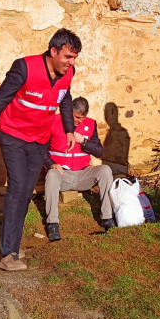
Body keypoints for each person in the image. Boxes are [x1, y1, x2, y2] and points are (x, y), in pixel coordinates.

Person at [0, 28, 81, 271]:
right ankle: (7, 255)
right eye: (67, 57)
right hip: (13, 135)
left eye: (74, 58)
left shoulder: (68, 72)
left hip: (39, 139)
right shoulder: (24, 68)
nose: (71, 63)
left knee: (26, 192)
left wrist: (68, 129)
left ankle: (13, 246)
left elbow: (64, 97)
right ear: (53, 51)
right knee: (17, 189)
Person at [43, 97, 115, 241]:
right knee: (51, 174)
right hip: (61, 174)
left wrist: (84, 141)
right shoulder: (53, 121)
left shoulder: (91, 124)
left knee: (105, 170)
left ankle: (107, 218)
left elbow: (100, 152)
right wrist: (51, 164)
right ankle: (52, 223)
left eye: (82, 118)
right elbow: (41, 150)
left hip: (83, 174)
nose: (79, 121)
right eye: (77, 117)